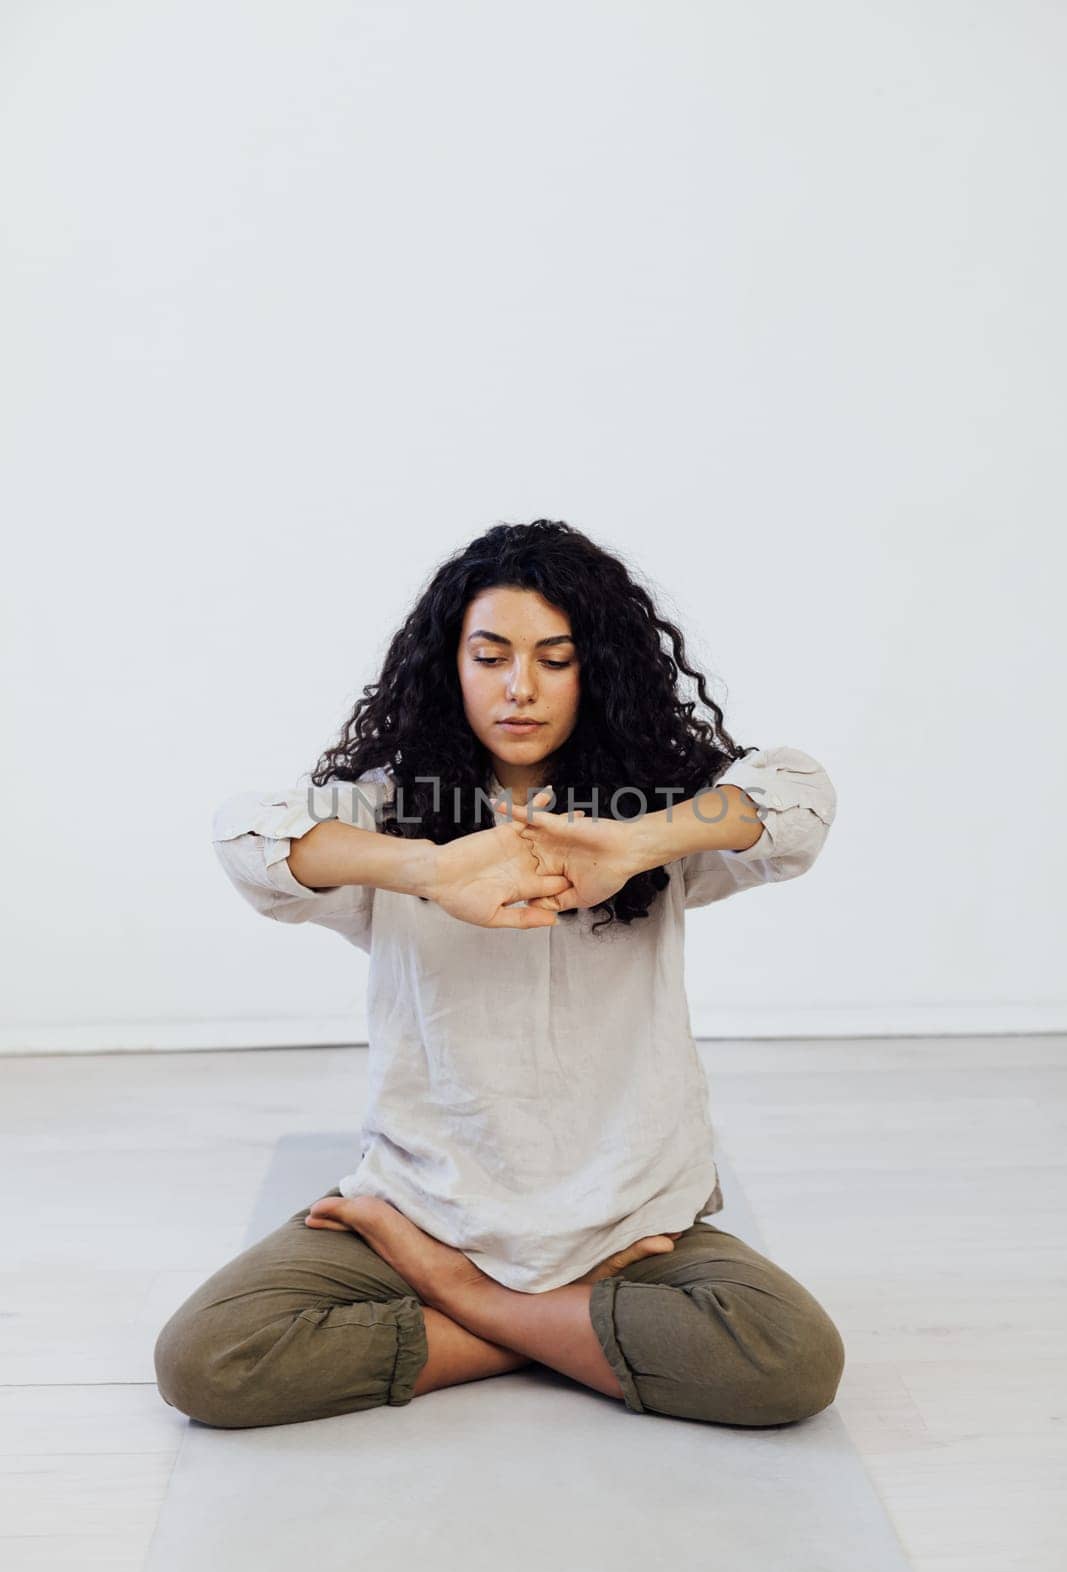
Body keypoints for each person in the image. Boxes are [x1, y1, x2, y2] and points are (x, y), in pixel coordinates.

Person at [154, 518, 845, 1429]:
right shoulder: (391, 814)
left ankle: (466, 1304)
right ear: (452, 666)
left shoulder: (659, 822)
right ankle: (575, 1336)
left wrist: (638, 841)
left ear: (596, 668)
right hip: (421, 1210)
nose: (520, 687)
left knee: (789, 1364)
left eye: (555, 659)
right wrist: (429, 870)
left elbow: (800, 797)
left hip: (629, 1227)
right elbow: (245, 833)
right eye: (491, 656)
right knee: (209, 1361)